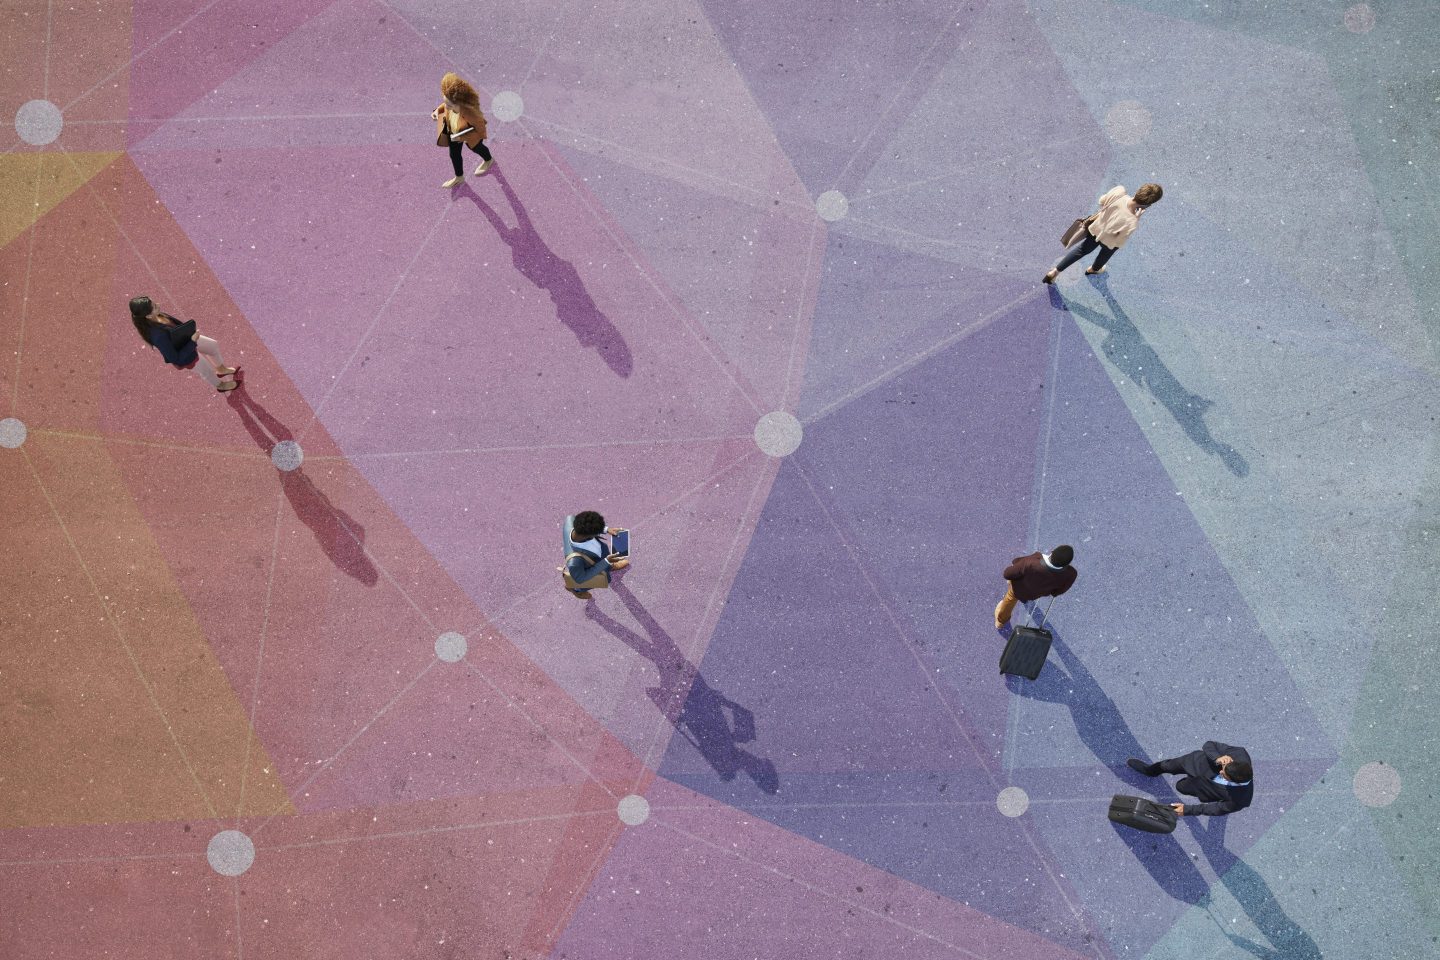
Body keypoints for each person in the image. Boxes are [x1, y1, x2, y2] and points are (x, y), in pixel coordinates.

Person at [1043, 183, 1163, 282]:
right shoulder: (1132, 221)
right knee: (1105, 255)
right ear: (1147, 205)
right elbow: (1120, 241)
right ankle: (1094, 269)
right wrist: (1136, 219)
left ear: (1139, 190)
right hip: (1110, 241)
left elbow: (1102, 201)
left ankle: (1055, 272)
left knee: (1081, 250)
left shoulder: (1119, 192)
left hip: (1096, 229)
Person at [128, 296, 238, 392]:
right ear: (148, 316)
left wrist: (190, 334)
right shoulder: (158, 336)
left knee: (213, 346)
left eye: (154, 303)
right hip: (187, 354)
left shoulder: (158, 316)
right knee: (207, 371)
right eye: (154, 306)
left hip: (188, 339)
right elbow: (175, 358)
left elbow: (177, 327)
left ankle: (221, 369)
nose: (158, 305)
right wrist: (193, 341)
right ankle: (220, 385)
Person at [1128, 741, 1254, 818]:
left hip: (1201, 788)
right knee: (1167, 765)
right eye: (1224, 767)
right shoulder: (1240, 753)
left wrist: (1187, 810)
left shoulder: (1241, 800)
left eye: (1224, 775)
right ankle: (1149, 771)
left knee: (1180, 786)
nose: (1221, 770)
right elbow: (1209, 745)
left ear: (1234, 781)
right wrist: (1217, 758)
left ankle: (1187, 783)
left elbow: (1216, 809)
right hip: (1193, 762)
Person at [432, 72, 493, 189]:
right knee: (454, 155)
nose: (446, 106)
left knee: (476, 148)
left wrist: (463, 137)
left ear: (459, 103)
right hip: (453, 133)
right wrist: (437, 111)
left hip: (466, 136)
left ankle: (488, 160)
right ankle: (459, 177)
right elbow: (444, 106)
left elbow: (480, 129)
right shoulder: (450, 104)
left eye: (449, 104)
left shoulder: (471, 113)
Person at [995, 544, 1076, 629]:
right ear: (1066, 564)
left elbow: (1007, 574)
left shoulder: (1033, 561)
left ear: (1052, 552)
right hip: (1037, 593)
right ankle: (1024, 599)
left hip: (1019, 588)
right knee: (1029, 592)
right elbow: (1058, 591)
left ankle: (1001, 621)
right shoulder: (1071, 574)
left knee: (1010, 599)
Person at [562, 511, 629, 599]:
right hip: (588, 567)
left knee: (606, 559)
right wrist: (606, 561)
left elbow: (587, 525)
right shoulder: (574, 562)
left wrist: (606, 529)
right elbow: (580, 579)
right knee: (584, 581)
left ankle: (611, 566)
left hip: (598, 556)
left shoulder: (571, 520)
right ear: (586, 535)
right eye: (597, 532)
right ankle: (575, 589)